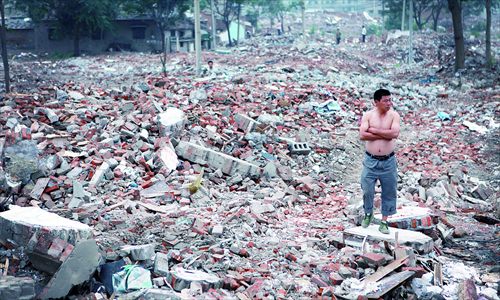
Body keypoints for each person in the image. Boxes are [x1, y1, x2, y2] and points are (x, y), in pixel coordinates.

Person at [359, 89, 400, 234]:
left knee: (389, 191)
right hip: (371, 160)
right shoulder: (368, 115)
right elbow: (363, 135)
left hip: (388, 161)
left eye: (390, 100)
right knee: (367, 189)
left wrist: (374, 130)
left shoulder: (394, 115)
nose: (389, 103)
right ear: (376, 102)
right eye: (386, 101)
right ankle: (368, 213)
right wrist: (384, 134)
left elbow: (394, 134)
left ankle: (384, 221)